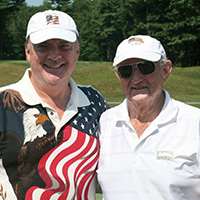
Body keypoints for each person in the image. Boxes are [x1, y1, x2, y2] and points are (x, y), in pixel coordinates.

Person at [0, 10, 108, 200]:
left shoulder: (94, 101)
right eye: (43, 46)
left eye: (64, 46)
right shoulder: (4, 102)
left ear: (77, 51)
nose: (54, 55)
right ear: (28, 51)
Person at [97, 35, 200, 199]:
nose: (136, 79)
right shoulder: (106, 123)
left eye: (146, 67)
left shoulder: (195, 123)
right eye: (126, 70)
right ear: (118, 76)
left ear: (165, 70)